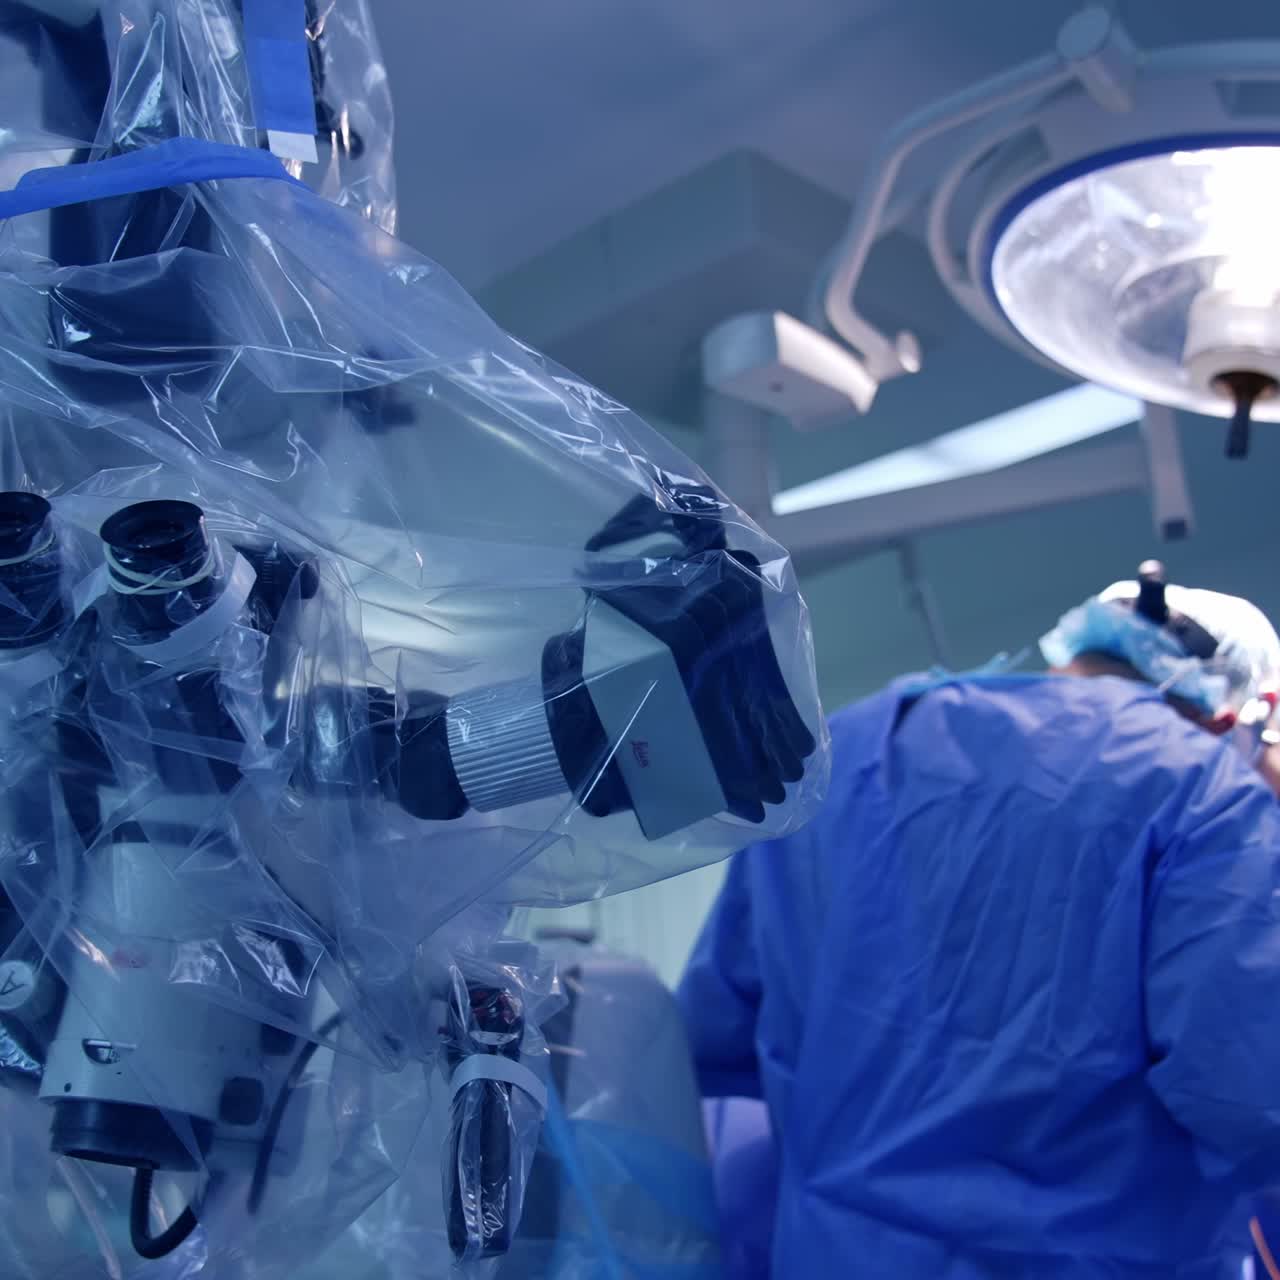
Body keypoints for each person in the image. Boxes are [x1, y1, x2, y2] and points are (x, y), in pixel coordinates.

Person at [678, 564, 1280, 1279]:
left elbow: (711, 1042)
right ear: (1240, 712)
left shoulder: (845, 755)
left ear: (1073, 657)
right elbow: (1248, 1093)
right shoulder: (1205, 792)